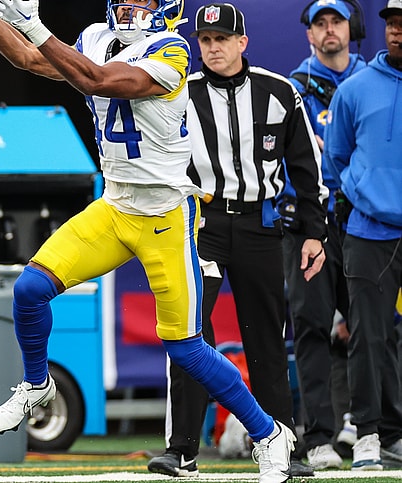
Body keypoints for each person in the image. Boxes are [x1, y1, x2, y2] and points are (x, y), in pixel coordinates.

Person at [0, 1, 296, 482]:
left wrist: (34, 25)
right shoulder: (96, 35)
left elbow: (98, 81)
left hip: (165, 216)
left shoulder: (174, 50)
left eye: (141, 0)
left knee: (185, 349)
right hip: (116, 206)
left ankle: (269, 436)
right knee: (29, 290)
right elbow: (31, 60)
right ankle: (36, 385)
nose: (129, 8)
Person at [145, 3, 327, 478]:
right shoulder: (178, 91)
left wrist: (314, 233)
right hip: (200, 227)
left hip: (260, 226)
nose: (213, 48)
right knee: (189, 333)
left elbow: (307, 169)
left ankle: (282, 447)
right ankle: (182, 449)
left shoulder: (280, 92)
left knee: (266, 337)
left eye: (222, 39)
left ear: (242, 42)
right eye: (205, 40)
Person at [282, 0, 367, 469]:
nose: (329, 29)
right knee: (312, 328)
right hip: (310, 221)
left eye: (336, 21)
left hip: (366, 221)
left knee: (374, 328)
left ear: (349, 28)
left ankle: (373, 429)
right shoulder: (292, 89)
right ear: (309, 33)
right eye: (320, 23)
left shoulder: (376, 81)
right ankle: (317, 437)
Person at [324, 0, 402, 470]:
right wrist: (362, 196)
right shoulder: (354, 90)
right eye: (392, 25)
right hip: (369, 232)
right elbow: (335, 160)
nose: (397, 32)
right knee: (368, 338)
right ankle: (370, 434)